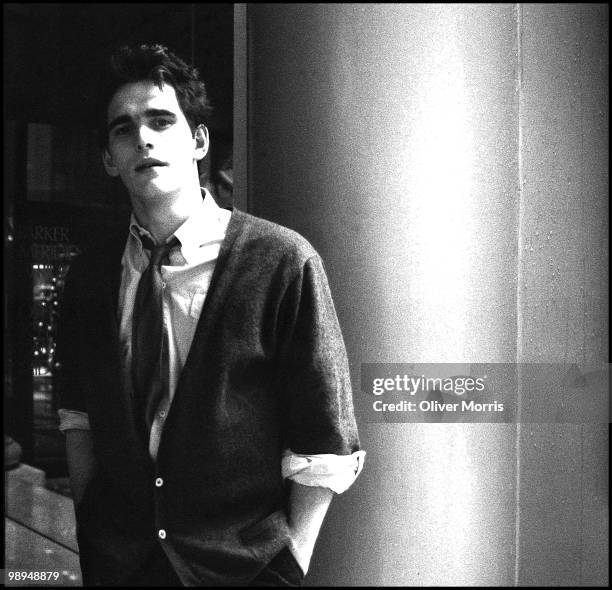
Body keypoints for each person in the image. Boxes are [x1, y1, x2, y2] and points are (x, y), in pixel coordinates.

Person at [56, 44, 364, 587]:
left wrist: (290, 564)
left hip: (242, 571)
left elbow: (324, 439)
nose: (143, 139)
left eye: (160, 121)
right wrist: (93, 527)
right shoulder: (89, 276)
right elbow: (78, 415)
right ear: (109, 157)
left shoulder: (281, 261)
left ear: (198, 140)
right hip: (121, 567)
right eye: (123, 130)